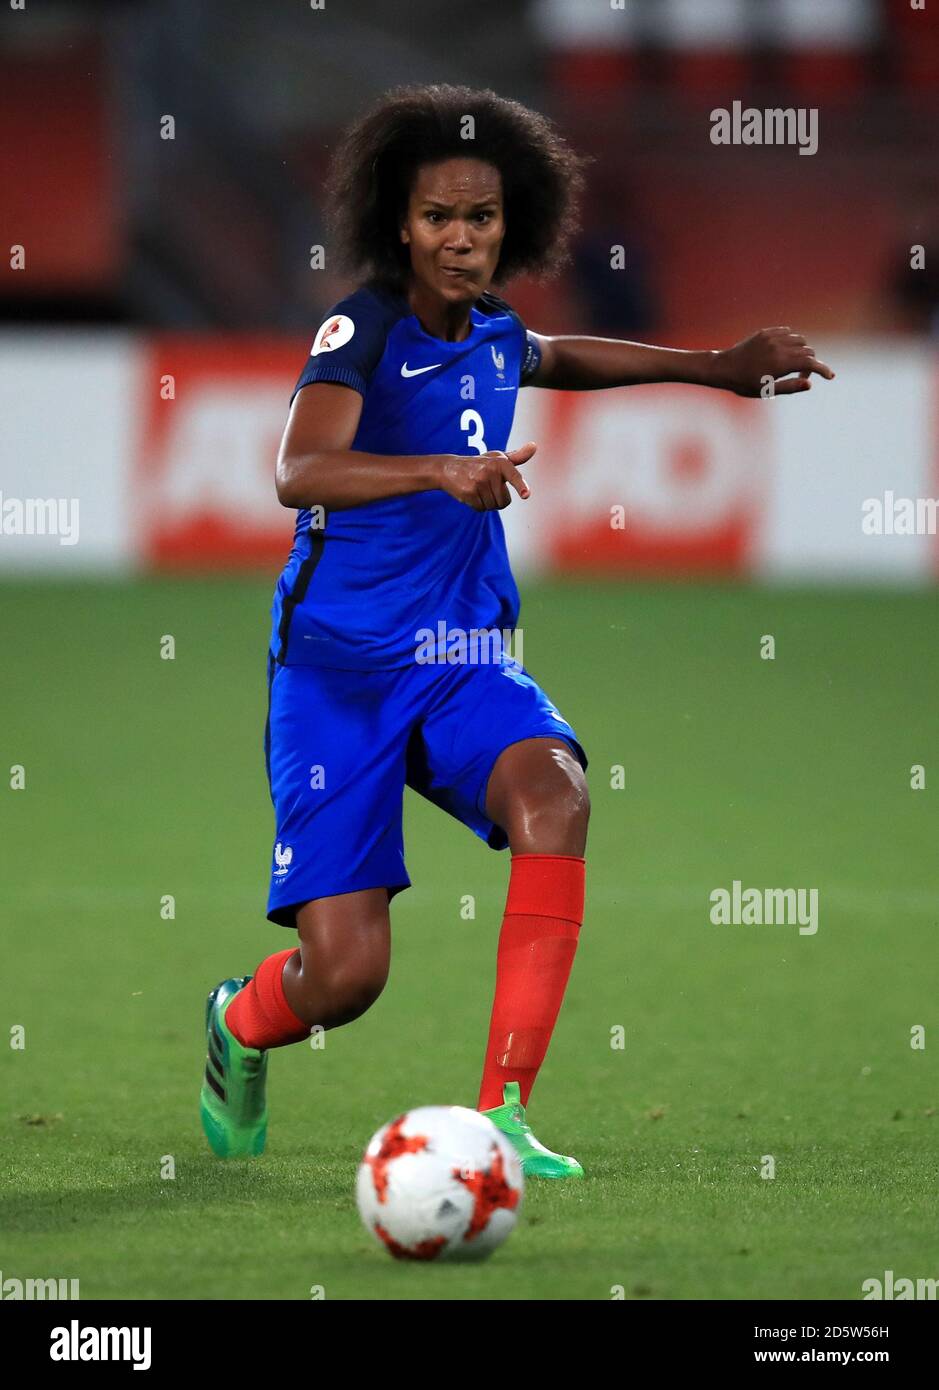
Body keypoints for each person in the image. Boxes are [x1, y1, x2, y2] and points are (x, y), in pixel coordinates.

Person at [200, 83, 834, 1181]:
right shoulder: (363, 328)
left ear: (514, 225)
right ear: (400, 222)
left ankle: (504, 1113)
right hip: (337, 678)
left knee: (559, 795)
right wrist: (438, 469)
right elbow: (297, 470)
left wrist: (718, 370)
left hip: (460, 662)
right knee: (345, 980)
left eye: (482, 218)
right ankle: (239, 1023)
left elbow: (557, 354)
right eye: (439, 216)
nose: (461, 238)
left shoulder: (493, 333)